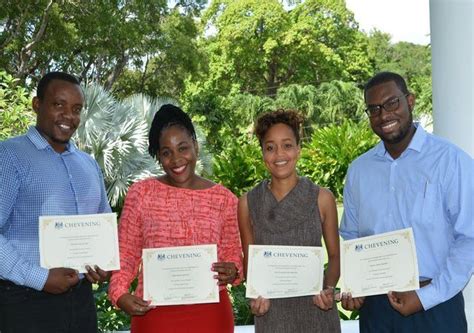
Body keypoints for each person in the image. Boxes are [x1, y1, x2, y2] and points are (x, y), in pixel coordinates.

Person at [340, 71, 473, 332]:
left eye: (392, 103)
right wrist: (355, 285)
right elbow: (352, 237)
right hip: (376, 311)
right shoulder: (359, 171)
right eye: (374, 109)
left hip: (436, 306)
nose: (384, 115)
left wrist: (426, 297)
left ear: (409, 101)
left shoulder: (450, 161)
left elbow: (469, 237)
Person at [108, 104, 243, 333]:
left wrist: (234, 270)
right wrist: (119, 294)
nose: (177, 159)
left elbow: (234, 256)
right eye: (166, 152)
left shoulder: (224, 199)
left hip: (210, 316)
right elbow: (126, 255)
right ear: (159, 156)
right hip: (153, 315)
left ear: (195, 146)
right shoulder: (141, 194)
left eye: (183, 148)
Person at [0, 72, 112, 333]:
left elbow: (102, 223)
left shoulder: (88, 164)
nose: (69, 117)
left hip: (82, 300)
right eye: (58, 105)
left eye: (76, 109)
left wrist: (104, 262)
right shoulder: (9, 156)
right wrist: (40, 278)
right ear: (37, 105)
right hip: (26, 300)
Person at [238, 110, 341, 333]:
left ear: (298, 149)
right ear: (263, 153)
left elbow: (334, 256)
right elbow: (250, 262)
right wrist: (254, 294)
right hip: (272, 316)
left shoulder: (322, 198)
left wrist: (329, 289)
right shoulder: (247, 203)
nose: (279, 154)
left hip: (317, 312)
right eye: (270, 147)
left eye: (287, 145)